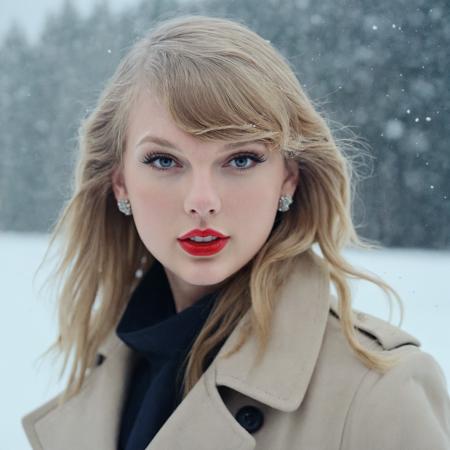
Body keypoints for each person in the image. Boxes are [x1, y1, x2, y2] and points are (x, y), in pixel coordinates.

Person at [21, 14, 450, 450]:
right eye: (165, 161)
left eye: (241, 159)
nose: (202, 200)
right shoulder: (104, 373)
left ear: (289, 178)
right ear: (119, 182)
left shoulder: (378, 394)